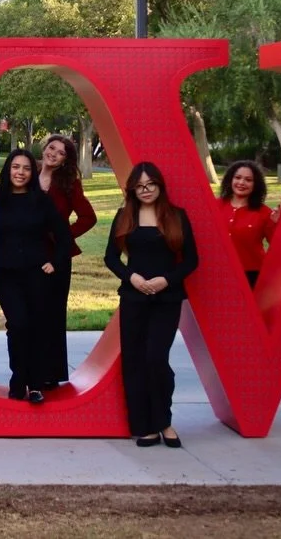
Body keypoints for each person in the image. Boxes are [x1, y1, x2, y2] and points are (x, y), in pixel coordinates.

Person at [103, 162, 198, 448]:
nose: (146, 191)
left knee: (156, 358)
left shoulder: (176, 216)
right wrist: (130, 277)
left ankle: (164, 422)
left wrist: (165, 280)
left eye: (151, 185)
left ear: (160, 186)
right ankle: (144, 427)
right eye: (140, 186)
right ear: (132, 189)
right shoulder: (124, 217)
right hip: (133, 298)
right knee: (134, 362)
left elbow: (192, 260)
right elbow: (110, 258)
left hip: (166, 299)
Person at [0, 148, 71, 403]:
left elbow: (64, 236)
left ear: (31, 172)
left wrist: (54, 263)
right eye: (16, 167)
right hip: (6, 275)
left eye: (26, 168)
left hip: (37, 275)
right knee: (18, 325)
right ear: (8, 170)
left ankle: (35, 385)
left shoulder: (41, 200)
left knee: (37, 328)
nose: (20, 173)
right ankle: (18, 380)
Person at [37, 134, 97, 388]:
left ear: (65, 160)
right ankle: (30, 372)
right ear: (45, 148)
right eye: (52, 147)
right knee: (28, 316)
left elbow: (88, 217)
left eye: (61, 152)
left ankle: (50, 375)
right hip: (26, 254)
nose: (54, 153)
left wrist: (62, 237)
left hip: (56, 258)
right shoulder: (27, 172)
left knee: (51, 316)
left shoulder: (69, 183)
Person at [219, 160, 276, 288]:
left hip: (252, 275)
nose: (241, 183)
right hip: (219, 272)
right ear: (230, 180)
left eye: (248, 180)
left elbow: (276, 245)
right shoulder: (215, 206)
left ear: (255, 185)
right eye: (238, 178)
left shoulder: (264, 212)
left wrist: (275, 223)